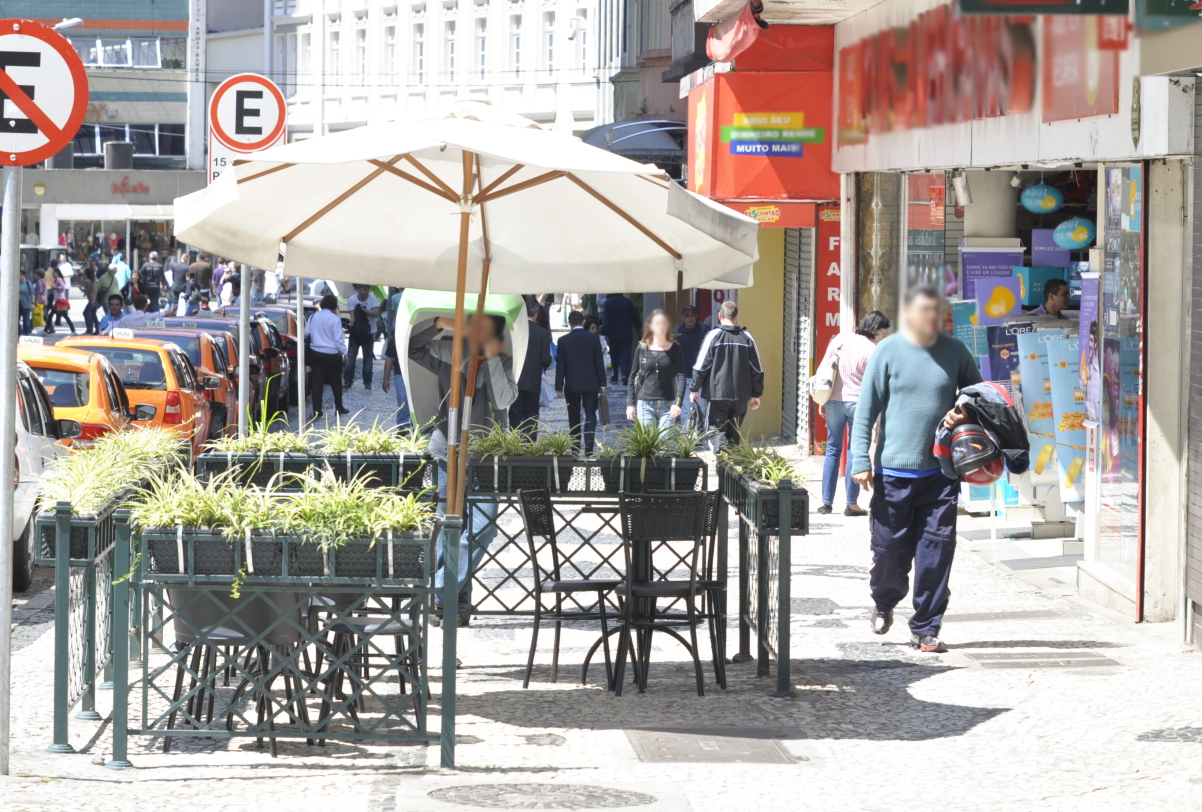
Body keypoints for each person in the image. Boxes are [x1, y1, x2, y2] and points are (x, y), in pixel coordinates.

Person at [848, 284, 984, 654]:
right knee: (889, 550)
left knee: (937, 552)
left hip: (940, 474)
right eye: (925, 311)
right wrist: (859, 460)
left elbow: (978, 398)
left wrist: (962, 413)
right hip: (893, 473)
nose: (932, 318)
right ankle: (884, 600)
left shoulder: (955, 351)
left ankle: (925, 627)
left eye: (937, 311)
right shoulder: (887, 351)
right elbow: (866, 410)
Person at [409, 312, 517, 627]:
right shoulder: (448, 351)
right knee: (448, 527)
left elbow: (503, 399)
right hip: (448, 449)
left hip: (484, 457)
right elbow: (411, 349)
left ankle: (439, 588)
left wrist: (491, 356)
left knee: (485, 527)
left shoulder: (503, 361)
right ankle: (453, 606)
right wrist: (439, 324)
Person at [814, 311, 892, 518]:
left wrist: (823, 399)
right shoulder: (872, 350)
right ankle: (851, 504)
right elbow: (876, 386)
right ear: (875, 330)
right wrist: (878, 419)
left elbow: (823, 369)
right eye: (882, 333)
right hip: (858, 404)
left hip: (833, 401)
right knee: (855, 452)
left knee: (832, 450)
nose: (883, 338)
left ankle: (826, 503)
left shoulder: (840, 339)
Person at [690, 300, 763, 450]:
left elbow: (701, 365)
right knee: (734, 434)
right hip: (740, 396)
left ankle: (723, 457)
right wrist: (756, 394)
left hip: (718, 395)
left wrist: (694, 388)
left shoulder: (713, 336)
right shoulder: (747, 337)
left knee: (715, 432)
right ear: (736, 316)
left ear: (719, 315)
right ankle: (730, 461)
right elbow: (757, 368)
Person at [556, 310, 607, 455]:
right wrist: (602, 383)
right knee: (590, 412)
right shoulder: (593, 339)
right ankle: (589, 441)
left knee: (573, 415)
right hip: (591, 382)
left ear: (569, 323)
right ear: (583, 322)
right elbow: (599, 362)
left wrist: (559, 386)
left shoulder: (563, 340)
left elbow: (561, 365)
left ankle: (575, 446)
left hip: (572, 383)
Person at [627, 309, 686, 430]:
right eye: (657, 323)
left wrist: (678, 403)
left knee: (665, 441)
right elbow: (632, 376)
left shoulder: (675, 348)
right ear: (650, 326)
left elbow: (681, 376)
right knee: (648, 441)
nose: (661, 326)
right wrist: (630, 404)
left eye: (663, 323)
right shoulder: (642, 349)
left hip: (668, 405)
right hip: (645, 404)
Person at [510, 299, 553, 440]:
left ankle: (515, 442)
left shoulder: (513, 330)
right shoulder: (541, 332)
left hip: (515, 378)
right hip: (533, 379)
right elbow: (545, 358)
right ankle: (529, 442)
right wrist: (540, 369)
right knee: (531, 412)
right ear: (535, 315)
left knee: (514, 412)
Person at [306, 294, 350, 419]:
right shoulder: (335, 319)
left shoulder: (313, 317)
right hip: (331, 354)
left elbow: (306, 333)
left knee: (317, 382)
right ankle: (339, 408)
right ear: (334, 305)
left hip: (315, 352)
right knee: (335, 381)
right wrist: (345, 353)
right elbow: (338, 339)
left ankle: (317, 410)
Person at [675, 304, 710, 429]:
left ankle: (701, 434)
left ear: (697, 316)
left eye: (692, 315)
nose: (690, 318)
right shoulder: (677, 333)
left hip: (701, 377)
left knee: (702, 408)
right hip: (683, 376)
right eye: (687, 316)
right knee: (686, 408)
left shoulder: (705, 331)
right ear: (682, 317)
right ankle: (687, 436)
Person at [343, 283, 381, 390]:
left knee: (368, 359)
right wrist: (354, 328)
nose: (365, 292)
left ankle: (367, 382)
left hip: (369, 333)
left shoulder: (372, 299)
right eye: (364, 290)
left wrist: (364, 311)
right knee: (351, 357)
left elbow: (376, 313)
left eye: (367, 290)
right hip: (356, 334)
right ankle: (347, 380)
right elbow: (352, 315)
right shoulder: (352, 299)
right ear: (358, 289)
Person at [599, 292, 640, 384]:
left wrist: (604, 333)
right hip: (626, 333)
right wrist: (638, 326)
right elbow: (635, 316)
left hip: (612, 334)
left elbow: (607, 320)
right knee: (625, 355)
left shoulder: (608, 303)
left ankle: (614, 377)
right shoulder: (628, 302)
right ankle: (625, 374)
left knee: (613, 355)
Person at [381, 332, 411, 431]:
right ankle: (403, 427)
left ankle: (416, 427)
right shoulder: (397, 337)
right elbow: (389, 359)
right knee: (403, 400)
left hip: (417, 372)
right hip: (400, 372)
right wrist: (385, 380)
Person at [50, 268, 76, 334]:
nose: (53, 274)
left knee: (63, 316)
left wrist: (55, 287)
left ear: (57, 272)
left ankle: (73, 330)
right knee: (52, 315)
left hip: (60, 301)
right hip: (58, 300)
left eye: (54, 272)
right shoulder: (57, 280)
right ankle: (73, 330)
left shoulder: (59, 279)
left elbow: (63, 288)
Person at [17, 270, 33, 335]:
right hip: (18, 306)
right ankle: (19, 333)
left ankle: (25, 334)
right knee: (16, 321)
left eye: (20, 275)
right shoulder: (16, 284)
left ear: (24, 276)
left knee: (26, 322)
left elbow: (32, 294)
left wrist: (33, 303)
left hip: (26, 305)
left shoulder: (28, 283)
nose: (19, 277)